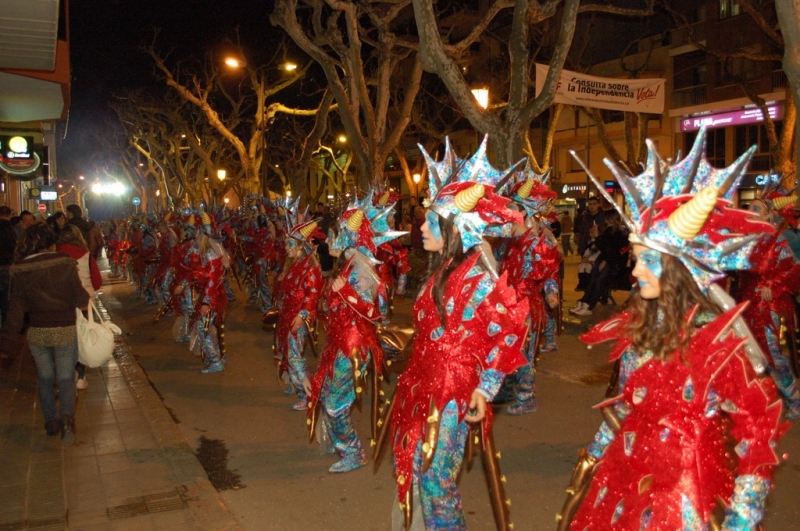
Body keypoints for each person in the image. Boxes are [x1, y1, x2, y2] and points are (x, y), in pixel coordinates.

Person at [557, 130, 787, 531]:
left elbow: (756, 426)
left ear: (680, 269)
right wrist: (594, 453)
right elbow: (628, 402)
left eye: (648, 260)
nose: (635, 270)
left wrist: (743, 516)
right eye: (637, 257)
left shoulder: (716, 340)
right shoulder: (640, 324)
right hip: (624, 476)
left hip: (679, 494)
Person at [386, 139, 529, 530]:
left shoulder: (479, 277)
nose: (421, 226)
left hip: (454, 391)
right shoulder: (442, 269)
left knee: (436, 480)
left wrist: (485, 388)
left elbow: (512, 329)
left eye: (430, 220)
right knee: (419, 468)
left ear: (453, 228)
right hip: (424, 382)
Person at [305, 191, 403, 473]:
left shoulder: (362, 273)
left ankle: (353, 451)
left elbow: (377, 313)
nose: (337, 237)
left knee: (335, 403)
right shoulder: (347, 267)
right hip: (340, 343)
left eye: (344, 233)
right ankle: (344, 445)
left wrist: (345, 293)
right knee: (328, 395)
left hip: (355, 348)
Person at [0, 224, 89, 445]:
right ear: (52, 242)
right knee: (67, 377)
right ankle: (67, 419)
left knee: (46, 378)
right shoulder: (66, 264)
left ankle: (50, 421)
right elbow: (81, 298)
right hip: (65, 330)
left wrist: (5, 345)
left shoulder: (21, 269)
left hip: (38, 332)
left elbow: (15, 311)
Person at [496, 165, 560, 415]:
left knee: (522, 350)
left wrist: (551, 291)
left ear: (523, 212)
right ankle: (507, 387)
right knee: (504, 346)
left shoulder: (536, 243)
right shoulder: (506, 241)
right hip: (505, 302)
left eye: (511, 209)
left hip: (526, 304)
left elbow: (547, 272)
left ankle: (527, 396)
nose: (505, 213)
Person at [734, 192, 800, 418]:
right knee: (745, 353)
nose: (751, 212)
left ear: (769, 215)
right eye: (749, 207)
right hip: (744, 303)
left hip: (765, 306)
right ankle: (756, 403)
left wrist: (774, 284)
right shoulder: (744, 238)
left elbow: (794, 269)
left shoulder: (777, 239)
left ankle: (794, 399)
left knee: (771, 354)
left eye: (756, 209)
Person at [273, 216, 324, 411]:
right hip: (288, 314)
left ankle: (308, 394)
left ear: (301, 246)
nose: (286, 247)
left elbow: (313, 294)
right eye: (286, 243)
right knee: (287, 352)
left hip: (299, 318)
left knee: (294, 356)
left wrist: (302, 315)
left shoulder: (310, 268)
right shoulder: (295, 263)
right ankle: (297, 384)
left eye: (290, 244)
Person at [57, 225, 103, 390]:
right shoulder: (86, 255)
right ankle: (81, 375)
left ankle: (68, 373)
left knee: (67, 339)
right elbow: (97, 281)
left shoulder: (56, 254)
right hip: (85, 302)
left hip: (63, 303)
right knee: (84, 339)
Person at [569, 209, 628, 316]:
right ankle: (584, 302)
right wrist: (597, 237)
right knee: (593, 278)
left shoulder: (622, 231)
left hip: (615, 264)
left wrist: (605, 260)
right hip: (606, 259)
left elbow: (615, 251)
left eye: (607, 219)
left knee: (600, 280)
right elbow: (602, 247)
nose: (605, 221)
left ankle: (589, 305)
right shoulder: (609, 230)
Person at [0, 205, 16, 325]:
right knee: (6, 294)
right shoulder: (10, 229)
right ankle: (5, 321)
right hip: (6, 264)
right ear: (9, 215)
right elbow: (12, 246)